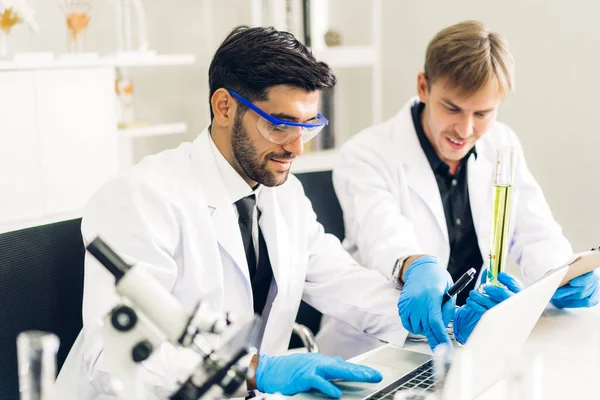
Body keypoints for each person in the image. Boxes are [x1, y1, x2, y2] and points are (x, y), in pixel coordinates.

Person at [53, 26, 513, 400]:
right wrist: (255, 369)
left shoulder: (282, 197)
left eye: (309, 126)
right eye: (280, 125)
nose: (296, 147)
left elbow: (342, 282)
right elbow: (112, 360)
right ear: (224, 106)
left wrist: (443, 317)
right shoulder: (141, 198)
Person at [317, 20, 600, 360]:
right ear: (424, 87)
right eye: (451, 108)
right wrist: (416, 265)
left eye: (482, 113)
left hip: (468, 341)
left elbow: (536, 233)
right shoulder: (366, 154)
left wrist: (562, 275)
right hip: (378, 348)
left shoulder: (502, 143)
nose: (465, 130)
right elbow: (383, 235)